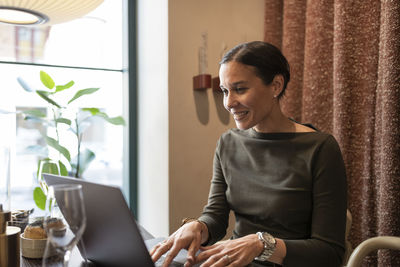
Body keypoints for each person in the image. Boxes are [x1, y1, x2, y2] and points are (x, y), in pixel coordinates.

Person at [150, 41, 347, 267]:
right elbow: (215, 217)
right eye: (225, 91)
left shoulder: (320, 148)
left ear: (276, 86)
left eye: (240, 89)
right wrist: (197, 227)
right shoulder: (228, 143)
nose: (229, 102)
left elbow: (329, 253)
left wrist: (262, 244)